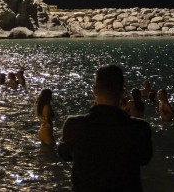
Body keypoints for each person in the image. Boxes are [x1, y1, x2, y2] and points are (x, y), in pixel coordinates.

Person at [58, 64, 152, 192]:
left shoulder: (75, 125)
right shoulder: (140, 129)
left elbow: (64, 154)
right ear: (122, 91)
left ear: (95, 90)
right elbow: (145, 158)